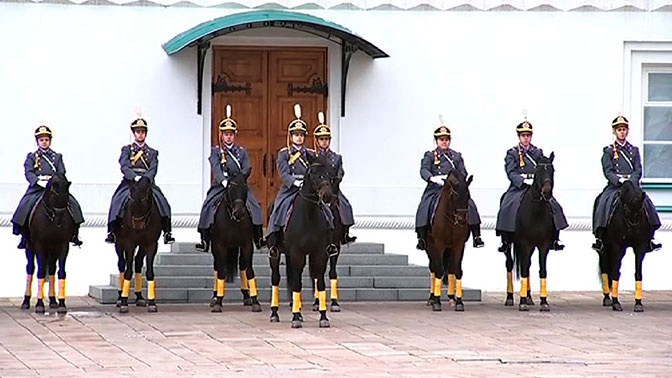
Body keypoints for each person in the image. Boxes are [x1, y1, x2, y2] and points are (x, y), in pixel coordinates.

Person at [265, 104, 335, 259]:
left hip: (310, 189)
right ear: (291, 136)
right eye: (296, 135)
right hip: (290, 189)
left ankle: (329, 242)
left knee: (327, 212)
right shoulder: (284, 154)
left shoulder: (311, 153)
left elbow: (317, 171)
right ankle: (274, 242)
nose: (299, 137)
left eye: (302, 135)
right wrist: (294, 182)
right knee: (279, 209)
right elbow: (283, 173)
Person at [195, 105, 265, 252]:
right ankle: (204, 239)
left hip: (238, 185)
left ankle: (258, 237)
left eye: (231, 134)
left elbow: (246, 167)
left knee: (255, 207)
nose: (229, 136)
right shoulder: (216, 152)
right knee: (207, 206)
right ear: (221, 135)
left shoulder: (242, 152)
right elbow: (215, 166)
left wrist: (238, 180)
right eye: (226, 134)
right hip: (221, 186)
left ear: (235, 135)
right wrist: (223, 180)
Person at [591, 115, 662, 253]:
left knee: (646, 203)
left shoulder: (633, 150)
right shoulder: (609, 151)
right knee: (603, 202)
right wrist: (619, 180)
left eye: (624, 129)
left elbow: (638, 169)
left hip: (632, 186)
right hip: (615, 186)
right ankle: (600, 236)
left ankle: (651, 237)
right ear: (615, 132)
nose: (622, 132)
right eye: (619, 130)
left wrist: (630, 182)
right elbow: (608, 170)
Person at [495, 119, 567, 252]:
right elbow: (510, 171)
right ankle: (505, 239)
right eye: (523, 135)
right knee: (507, 204)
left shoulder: (537, 152)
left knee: (554, 205)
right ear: (519, 137)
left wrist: (537, 180)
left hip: (536, 187)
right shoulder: (512, 153)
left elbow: (543, 170)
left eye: (528, 135)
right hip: (519, 187)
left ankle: (555, 238)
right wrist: (522, 180)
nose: (526, 138)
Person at [414, 118, 484, 250]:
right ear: (436, 141)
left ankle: (476, 235)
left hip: (454, 188)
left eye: (446, 139)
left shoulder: (456, 156)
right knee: (425, 205)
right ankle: (421, 236)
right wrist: (432, 178)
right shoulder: (430, 156)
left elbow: (463, 171)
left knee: (470, 204)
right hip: (436, 188)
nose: (444, 142)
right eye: (441, 139)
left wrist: (456, 180)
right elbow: (423, 170)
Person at [104, 115, 175, 245]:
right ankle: (112, 231)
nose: (140, 134)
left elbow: (153, 168)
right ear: (134, 133)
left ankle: (167, 231)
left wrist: (145, 179)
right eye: (138, 132)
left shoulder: (152, 152)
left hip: (146, 183)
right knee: (117, 200)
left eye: (143, 132)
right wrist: (133, 177)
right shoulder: (127, 150)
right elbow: (124, 165)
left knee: (162, 201)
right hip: (130, 182)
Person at [12, 125, 85, 248]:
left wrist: (53, 181)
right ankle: (23, 235)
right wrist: (37, 181)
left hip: (54, 187)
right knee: (24, 205)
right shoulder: (32, 157)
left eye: (46, 140)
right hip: (37, 188)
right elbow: (28, 172)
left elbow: (61, 171)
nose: (44, 142)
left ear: (50, 141)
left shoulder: (57, 157)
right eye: (41, 140)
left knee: (73, 204)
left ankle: (74, 233)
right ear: (37, 142)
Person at [312, 111, 357, 244]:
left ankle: (345, 233)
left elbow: (341, 172)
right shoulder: (313, 156)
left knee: (345, 206)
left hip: (333, 188)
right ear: (317, 140)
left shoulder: (336, 157)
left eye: (326, 139)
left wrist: (335, 181)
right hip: (318, 188)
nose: (324, 141)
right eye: (321, 139)